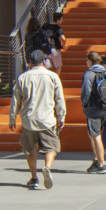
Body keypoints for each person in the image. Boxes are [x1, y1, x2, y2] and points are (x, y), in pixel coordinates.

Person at [10, 48, 65, 190]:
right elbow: (59, 98)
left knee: (30, 150)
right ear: (44, 62)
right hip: (47, 119)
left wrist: (12, 118)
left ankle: (34, 178)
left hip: (29, 120)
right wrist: (61, 116)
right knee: (52, 147)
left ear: (30, 63)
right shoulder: (53, 77)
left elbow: (15, 100)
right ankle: (47, 167)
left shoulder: (23, 77)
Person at [80, 51, 106, 175]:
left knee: (96, 135)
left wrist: (84, 105)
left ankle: (101, 164)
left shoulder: (89, 73)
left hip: (93, 108)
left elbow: (86, 92)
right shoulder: (104, 73)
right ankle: (96, 160)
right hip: (104, 108)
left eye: (86, 60)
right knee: (95, 134)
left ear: (90, 60)